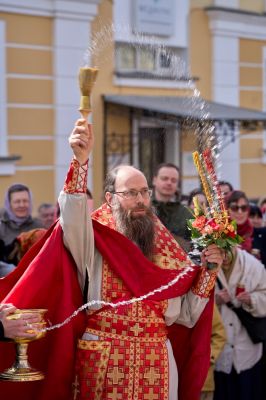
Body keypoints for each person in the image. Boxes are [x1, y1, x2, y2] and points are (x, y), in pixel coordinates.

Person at [0, 120, 224, 400]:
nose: (141, 200)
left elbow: (188, 316)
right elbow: (72, 215)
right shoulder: (93, 239)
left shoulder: (168, 249)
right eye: (131, 193)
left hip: (156, 363)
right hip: (103, 360)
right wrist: (80, 162)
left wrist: (210, 270)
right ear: (110, 198)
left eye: (144, 192)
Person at [214, 246, 266, 400]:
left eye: (227, 250)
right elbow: (193, 303)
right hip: (217, 348)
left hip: (246, 347)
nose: (223, 257)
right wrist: (215, 301)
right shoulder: (205, 266)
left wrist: (252, 300)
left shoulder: (253, 265)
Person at [152, 163, 193, 251]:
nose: (169, 183)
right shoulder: (142, 208)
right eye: (164, 178)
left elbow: (195, 244)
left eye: (173, 180)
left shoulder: (186, 213)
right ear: (154, 180)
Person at [0, 183, 43, 249]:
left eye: (25, 201)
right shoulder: (1, 227)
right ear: (9, 204)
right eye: (17, 201)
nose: (22, 205)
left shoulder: (39, 227)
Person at [201, 304, 226, 400]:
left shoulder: (206, 301)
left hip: (203, 381)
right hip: (174, 380)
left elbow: (219, 335)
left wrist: (207, 358)